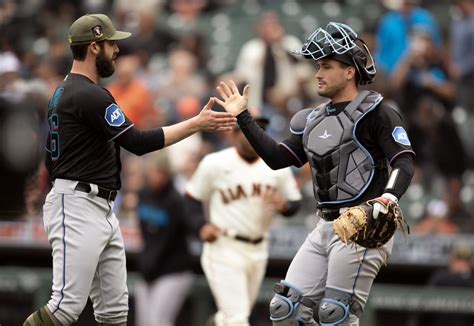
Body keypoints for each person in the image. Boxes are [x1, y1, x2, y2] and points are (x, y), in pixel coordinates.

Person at [23, 13, 235, 326]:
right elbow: (137, 142)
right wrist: (197, 124)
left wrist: (40, 189)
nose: (117, 51)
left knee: (114, 312)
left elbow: (52, 158)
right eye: (111, 44)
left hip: (96, 204)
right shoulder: (88, 93)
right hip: (78, 203)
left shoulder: (65, 91)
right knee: (64, 308)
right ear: (94, 47)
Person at [213, 22, 416, 325]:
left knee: (336, 315)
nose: (318, 73)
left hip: (361, 225)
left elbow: (404, 161)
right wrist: (244, 117)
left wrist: (388, 197)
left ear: (350, 71)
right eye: (318, 66)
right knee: (285, 309)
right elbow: (277, 158)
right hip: (324, 226)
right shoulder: (311, 118)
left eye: (327, 66)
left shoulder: (378, 111)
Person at [185, 115, 303, 326]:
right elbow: (192, 197)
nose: (252, 139)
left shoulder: (277, 166)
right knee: (238, 319)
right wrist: (201, 226)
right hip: (225, 247)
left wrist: (284, 206)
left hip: (259, 248)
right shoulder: (215, 162)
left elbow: (295, 203)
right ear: (235, 134)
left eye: (258, 134)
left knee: (231, 317)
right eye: (247, 133)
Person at [135, 152, 218, 326]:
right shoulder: (142, 194)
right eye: (155, 171)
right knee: (144, 322)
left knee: (158, 321)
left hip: (174, 269)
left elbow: (194, 224)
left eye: (162, 172)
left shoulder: (177, 200)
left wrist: (203, 228)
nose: (157, 176)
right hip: (149, 268)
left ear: (168, 174)